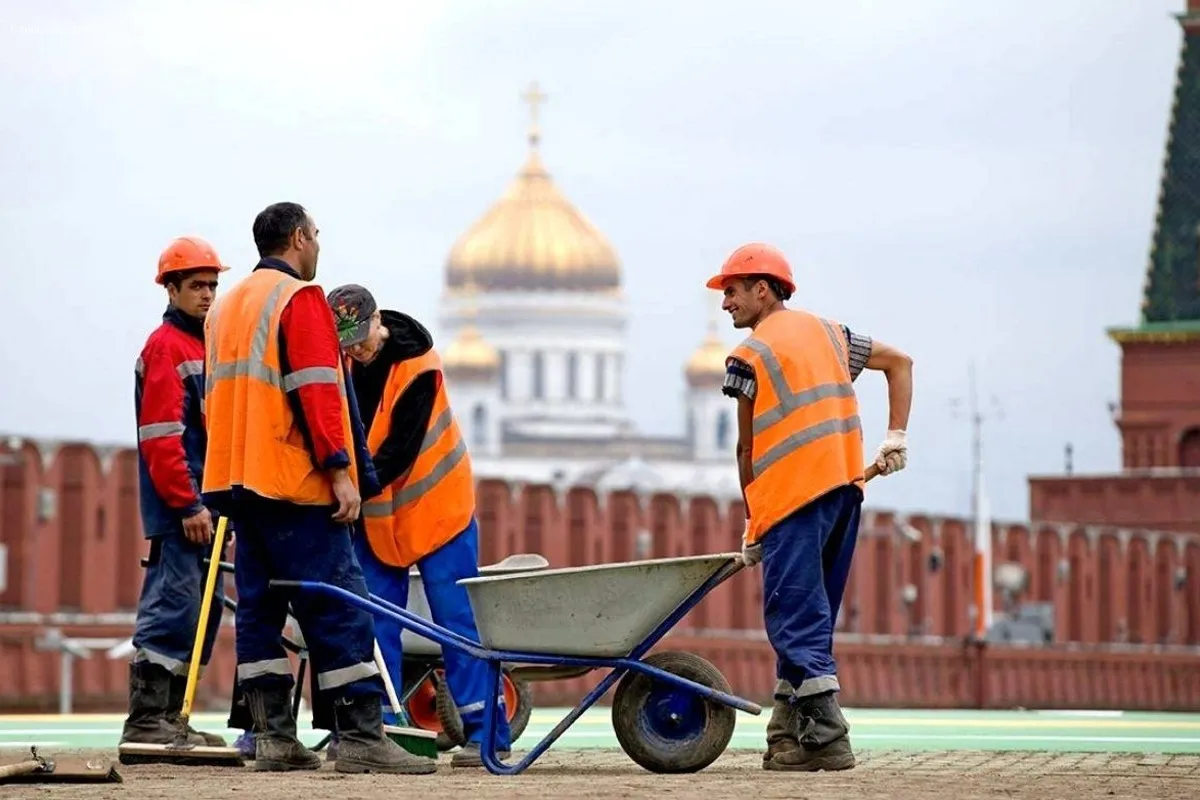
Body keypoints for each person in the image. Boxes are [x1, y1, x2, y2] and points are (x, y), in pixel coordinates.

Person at [200, 201, 435, 776]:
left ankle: (274, 738)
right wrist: (339, 471)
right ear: (300, 237)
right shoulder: (298, 300)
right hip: (292, 483)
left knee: (259, 609)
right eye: (317, 234)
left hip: (236, 481)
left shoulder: (225, 307)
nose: (318, 245)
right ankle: (359, 737)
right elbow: (316, 391)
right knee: (337, 605)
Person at [708, 242, 913, 772]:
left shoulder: (747, 357)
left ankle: (827, 735)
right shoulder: (832, 334)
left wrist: (753, 523)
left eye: (732, 291)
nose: (725, 302)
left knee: (794, 617)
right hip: (845, 492)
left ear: (763, 289)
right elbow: (901, 362)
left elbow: (746, 449)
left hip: (793, 501)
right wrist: (896, 437)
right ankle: (787, 733)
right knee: (811, 617)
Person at [324, 283, 513, 768]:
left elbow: (397, 453)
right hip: (380, 515)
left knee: (457, 621)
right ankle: (383, 732)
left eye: (360, 341)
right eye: (345, 345)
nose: (356, 352)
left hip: (438, 507)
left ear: (377, 322)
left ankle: (486, 735)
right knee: (373, 620)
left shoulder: (419, 367)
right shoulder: (343, 364)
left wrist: (346, 489)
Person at [121, 237, 230, 749]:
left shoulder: (205, 346)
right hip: (182, 509)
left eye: (212, 285)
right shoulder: (167, 348)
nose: (207, 295)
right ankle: (147, 720)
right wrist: (187, 503)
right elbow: (162, 437)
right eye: (196, 286)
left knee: (201, 614)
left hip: (209, 507)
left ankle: (174, 719)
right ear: (171, 289)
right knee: (174, 607)